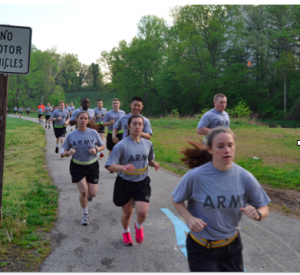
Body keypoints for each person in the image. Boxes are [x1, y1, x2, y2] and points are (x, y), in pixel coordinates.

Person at [171, 127, 270, 272]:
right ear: (210, 149)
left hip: (231, 248)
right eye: (221, 146)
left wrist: (258, 214)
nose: (227, 150)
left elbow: (264, 206)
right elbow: (176, 199)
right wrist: (189, 218)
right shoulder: (195, 176)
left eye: (230, 145)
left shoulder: (244, 177)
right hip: (201, 249)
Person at [105, 114, 160, 246]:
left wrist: (153, 163)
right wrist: (122, 167)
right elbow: (109, 165)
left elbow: (150, 159)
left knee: (142, 212)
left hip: (142, 181)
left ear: (143, 127)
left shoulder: (148, 144)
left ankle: (139, 226)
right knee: (128, 213)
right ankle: (125, 232)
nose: (137, 126)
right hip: (125, 182)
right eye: (134, 124)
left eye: (140, 124)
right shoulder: (121, 145)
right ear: (128, 127)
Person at [62, 111, 105, 225]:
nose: (83, 120)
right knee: (84, 191)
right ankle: (85, 215)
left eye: (85, 118)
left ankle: (87, 196)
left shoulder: (93, 133)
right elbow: (63, 151)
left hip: (92, 165)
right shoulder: (71, 135)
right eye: (81, 118)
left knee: (93, 193)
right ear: (77, 119)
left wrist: (96, 150)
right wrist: (67, 152)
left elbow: (102, 146)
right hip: (77, 166)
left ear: (88, 120)